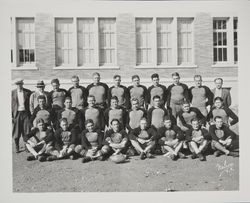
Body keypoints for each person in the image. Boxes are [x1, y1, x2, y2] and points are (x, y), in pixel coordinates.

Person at [12, 78, 32, 153]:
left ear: (22, 84)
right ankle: (17, 146)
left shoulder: (27, 92)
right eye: (18, 84)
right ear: (16, 85)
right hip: (17, 114)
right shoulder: (12, 93)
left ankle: (27, 146)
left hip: (25, 113)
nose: (19, 86)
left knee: (26, 131)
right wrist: (11, 116)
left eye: (20, 84)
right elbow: (9, 105)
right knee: (16, 132)